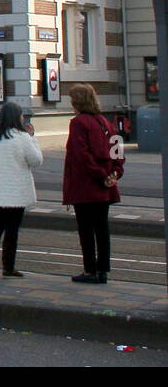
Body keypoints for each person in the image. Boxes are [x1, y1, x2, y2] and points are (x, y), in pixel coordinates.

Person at [63, 84, 125, 284]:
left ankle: (90, 270)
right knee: (102, 228)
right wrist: (114, 173)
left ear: (77, 102)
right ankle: (103, 270)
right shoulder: (104, 121)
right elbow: (118, 149)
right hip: (105, 186)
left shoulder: (79, 123)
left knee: (86, 230)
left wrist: (100, 175)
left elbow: (82, 155)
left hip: (86, 185)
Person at [0, 101, 43, 278]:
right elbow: (36, 160)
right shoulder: (22, 137)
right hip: (16, 191)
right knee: (12, 230)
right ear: (17, 117)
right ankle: (8, 267)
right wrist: (32, 137)